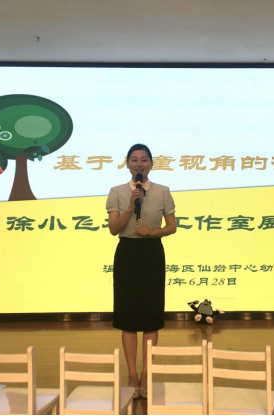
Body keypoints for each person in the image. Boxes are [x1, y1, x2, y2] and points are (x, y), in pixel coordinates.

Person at [106, 144, 177, 399]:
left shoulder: (163, 191)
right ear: (127, 164)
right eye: (134, 160)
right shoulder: (116, 192)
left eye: (144, 160)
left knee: (150, 315)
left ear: (151, 164)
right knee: (128, 316)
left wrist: (153, 231)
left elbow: (172, 226)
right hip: (127, 253)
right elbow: (113, 229)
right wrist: (129, 207)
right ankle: (131, 373)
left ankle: (147, 372)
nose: (139, 164)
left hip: (152, 253)